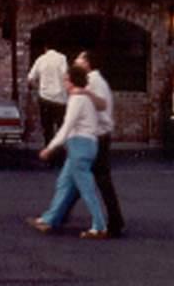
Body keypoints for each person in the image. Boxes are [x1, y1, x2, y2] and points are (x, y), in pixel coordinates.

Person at [26, 64, 108, 240]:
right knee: (64, 184)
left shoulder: (77, 100)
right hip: (81, 146)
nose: (63, 82)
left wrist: (50, 147)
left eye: (65, 79)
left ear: (71, 80)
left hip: (80, 145)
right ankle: (49, 219)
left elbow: (67, 127)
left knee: (86, 189)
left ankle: (99, 226)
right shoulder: (81, 98)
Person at [64, 50, 125, 238]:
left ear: (88, 63)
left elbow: (94, 108)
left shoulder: (93, 82)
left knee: (97, 178)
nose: (76, 61)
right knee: (82, 176)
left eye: (80, 59)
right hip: (99, 135)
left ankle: (114, 222)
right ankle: (60, 214)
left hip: (97, 135)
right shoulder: (97, 81)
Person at [27, 45, 68, 146]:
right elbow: (66, 76)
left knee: (47, 130)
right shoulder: (62, 58)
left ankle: (50, 153)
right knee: (61, 128)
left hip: (45, 99)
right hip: (60, 100)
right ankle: (61, 153)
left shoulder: (41, 59)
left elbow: (30, 79)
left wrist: (38, 87)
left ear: (45, 48)